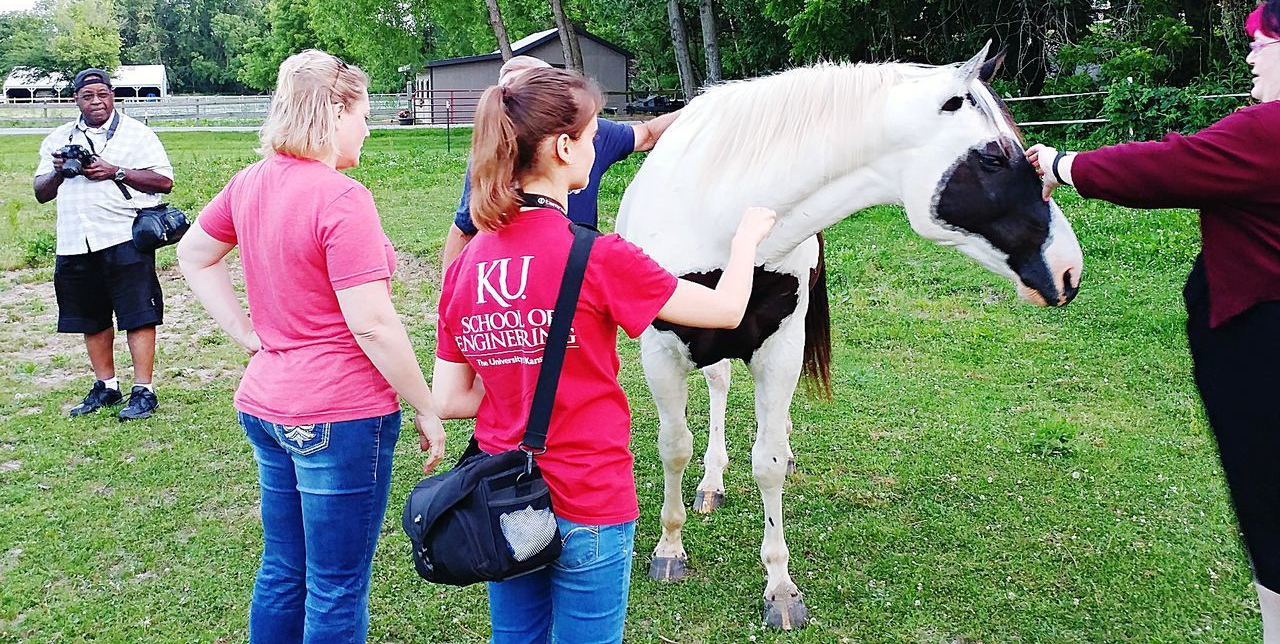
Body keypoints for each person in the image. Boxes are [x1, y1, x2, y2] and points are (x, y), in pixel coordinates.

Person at [430, 66, 775, 644]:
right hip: (589, 497)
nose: (596, 149)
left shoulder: (465, 265)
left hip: (504, 495)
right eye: (591, 138)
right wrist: (745, 241)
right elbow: (726, 310)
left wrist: (517, 365)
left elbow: (449, 398)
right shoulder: (600, 257)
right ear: (564, 148)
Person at [1027, 0, 1280, 642]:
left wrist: (1061, 165)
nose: (1251, 50)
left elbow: (1171, 165)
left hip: (1261, 352)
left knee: (1269, 503)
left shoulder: (1268, 132)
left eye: (1263, 38)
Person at [175, 50, 447, 644]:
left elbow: (193, 253)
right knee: (335, 583)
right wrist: (426, 406)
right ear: (333, 112)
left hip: (269, 407)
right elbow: (373, 324)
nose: (369, 128)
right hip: (340, 414)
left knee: (283, 569)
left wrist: (250, 334)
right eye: (364, 115)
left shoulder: (248, 183)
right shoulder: (341, 197)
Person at [440, 55, 682, 269]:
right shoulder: (491, 153)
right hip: (528, 273)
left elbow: (647, 134)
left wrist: (703, 108)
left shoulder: (591, 133)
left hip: (573, 267)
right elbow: (463, 229)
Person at [34, 68, 174, 421]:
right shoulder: (58, 138)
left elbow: (164, 181)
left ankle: (144, 390)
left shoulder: (137, 134)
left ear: (113, 96)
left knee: (138, 316)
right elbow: (40, 193)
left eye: (103, 95)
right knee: (91, 318)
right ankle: (106, 386)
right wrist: (59, 170)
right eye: (87, 96)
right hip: (74, 241)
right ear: (75, 100)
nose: (96, 102)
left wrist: (116, 171)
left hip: (123, 236)